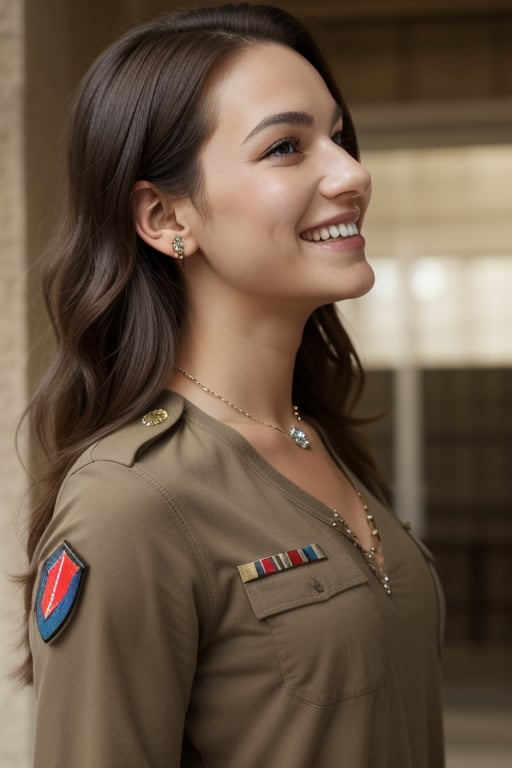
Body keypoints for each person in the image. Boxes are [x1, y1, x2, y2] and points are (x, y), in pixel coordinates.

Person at [21, 4, 445, 766]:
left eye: (338, 136)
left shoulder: (318, 440)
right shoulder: (131, 504)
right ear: (164, 215)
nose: (352, 173)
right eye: (287, 146)